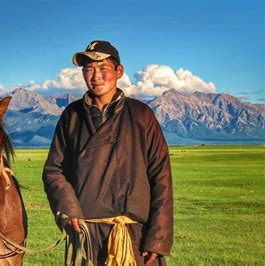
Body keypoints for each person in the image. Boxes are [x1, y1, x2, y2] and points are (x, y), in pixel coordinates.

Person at [42, 40, 173, 265]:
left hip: (133, 237)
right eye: (89, 69)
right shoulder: (71, 116)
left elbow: (161, 177)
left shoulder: (141, 115)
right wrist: (69, 209)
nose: (96, 76)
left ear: (119, 71)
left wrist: (158, 238)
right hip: (86, 234)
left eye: (103, 68)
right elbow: (53, 171)